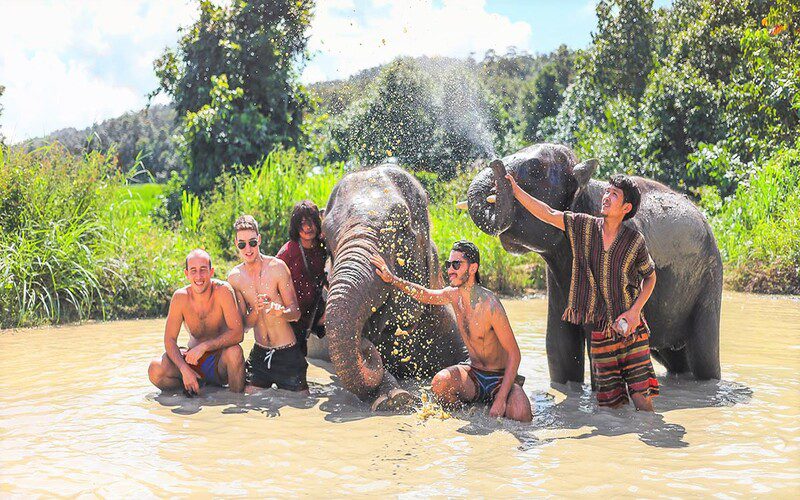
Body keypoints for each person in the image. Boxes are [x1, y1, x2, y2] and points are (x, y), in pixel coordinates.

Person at [506, 172, 659, 411]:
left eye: (614, 195)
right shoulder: (584, 227)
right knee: (611, 407)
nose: (606, 197)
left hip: (631, 330)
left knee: (642, 399)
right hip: (600, 331)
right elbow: (548, 214)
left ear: (626, 207)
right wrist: (515, 191)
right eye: (607, 191)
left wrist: (635, 312)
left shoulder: (634, 241)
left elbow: (650, 277)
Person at [370, 240, 532, 422]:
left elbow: (514, 354)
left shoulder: (491, 305)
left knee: (521, 414)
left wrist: (501, 399)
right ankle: (469, 414)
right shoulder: (453, 295)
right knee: (440, 383)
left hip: (499, 379)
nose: (450, 270)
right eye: (448, 265)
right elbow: (425, 294)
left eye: (456, 264)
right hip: (474, 375)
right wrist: (393, 280)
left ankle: (501, 398)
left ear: (472, 268)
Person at [227, 215, 307, 392]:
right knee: (248, 403)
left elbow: (295, 313)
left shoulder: (277, 267)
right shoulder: (235, 278)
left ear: (259, 240)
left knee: (301, 409)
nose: (248, 249)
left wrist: (280, 312)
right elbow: (244, 326)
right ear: (236, 244)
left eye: (252, 242)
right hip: (260, 353)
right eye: (242, 244)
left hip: (287, 352)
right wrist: (256, 309)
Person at [148, 249, 245, 395]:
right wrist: (184, 369)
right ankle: (192, 388)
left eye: (203, 270)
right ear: (186, 274)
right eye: (193, 270)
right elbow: (169, 340)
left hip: (219, 363)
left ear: (211, 272)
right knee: (155, 369)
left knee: (235, 352)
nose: (198, 276)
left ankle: (236, 402)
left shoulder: (223, 291)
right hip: (192, 362)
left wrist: (205, 346)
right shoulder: (180, 297)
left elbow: (238, 334)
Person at [276, 200, 327, 356]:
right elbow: (273, 280)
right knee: (294, 360)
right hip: (293, 316)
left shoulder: (322, 247)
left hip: (314, 312)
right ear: (296, 226)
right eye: (303, 223)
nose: (308, 227)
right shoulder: (288, 252)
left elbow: (328, 276)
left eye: (312, 222)